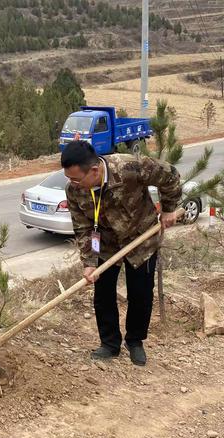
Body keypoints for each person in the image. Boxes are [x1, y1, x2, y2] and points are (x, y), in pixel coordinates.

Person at [61, 141, 181, 366]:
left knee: (141, 294)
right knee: (103, 295)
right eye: (69, 178)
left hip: (141, 239)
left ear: (94, 171)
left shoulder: (129, 168)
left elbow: (170, 175)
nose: (72, 184)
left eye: (76, 178)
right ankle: (109, 344)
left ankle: (135, 341)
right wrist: (89, 262)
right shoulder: (74, 191)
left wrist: (168, 208)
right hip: (105, 245)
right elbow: (82, 227)